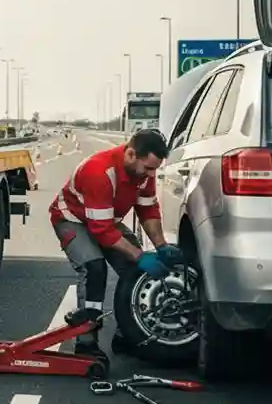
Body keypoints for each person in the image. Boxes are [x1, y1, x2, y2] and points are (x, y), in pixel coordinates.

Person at [49, 129, 182, 358]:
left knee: (134, 271)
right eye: (148, 168)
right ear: (130, 154)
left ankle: (127, 334)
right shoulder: (99, 171)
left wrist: (161, 246)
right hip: (72, 219)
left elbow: (147, 209)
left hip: (105, 218)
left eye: (155, 169)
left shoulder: (143, 175)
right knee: (94, 267)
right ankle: (86, 343)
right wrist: (140, 255)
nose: (151, 175)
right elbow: (102, 232)